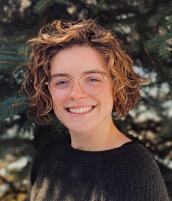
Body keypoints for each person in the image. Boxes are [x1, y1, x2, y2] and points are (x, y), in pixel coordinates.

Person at [23, 19, 169, 201]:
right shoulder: (45, 158)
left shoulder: (135, 172)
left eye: (92, 79)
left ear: (116, 86)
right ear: (48, 91)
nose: (76, 94)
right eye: (62, 81)